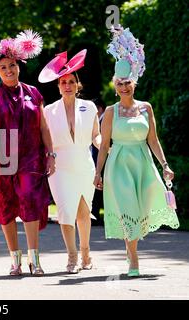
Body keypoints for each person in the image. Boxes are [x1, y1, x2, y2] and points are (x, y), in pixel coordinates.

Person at [94, 25, 179, 277]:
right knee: (128, 207)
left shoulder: (146, 108)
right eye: (119, 83)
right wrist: (98, 173)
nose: (123, 87)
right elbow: (104, 146)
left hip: (142, 162)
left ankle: (131, 248)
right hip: (118, 164)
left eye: (127, 82)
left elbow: (153, 139)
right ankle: (133, 259)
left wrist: (164, 165)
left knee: (142, 209)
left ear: (134, 82)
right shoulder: (110, 112)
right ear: (115, 84)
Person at [0, 30, 54, 276]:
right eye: (3, 68)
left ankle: (35, 259)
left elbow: (43, 127)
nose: (9, 70)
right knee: (6, 207)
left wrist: (50, 154)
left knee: (30, 202)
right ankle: (14, 261)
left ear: (19, 66)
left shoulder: (33, 93)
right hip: (0, 161)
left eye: (12, 66)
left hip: (31, 158)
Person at [38, 49, 101, 273]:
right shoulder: (48, 111)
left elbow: (96, 135)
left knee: (84, 212)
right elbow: (43, 140)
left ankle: (86, 255)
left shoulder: (90, 107)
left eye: (71, 82)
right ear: (58, 85)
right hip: (59, 165)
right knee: (65, 211)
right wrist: (48, 158)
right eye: (63, 82)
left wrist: (105, 146)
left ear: (77, 84)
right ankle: (72, 257)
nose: (67, 85)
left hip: (84, 164)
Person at [90, 97, 107, 225]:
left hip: (102, 158)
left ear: (100, 108)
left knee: (100, 189)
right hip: (97, 157)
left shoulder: (104, 119)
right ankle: (96, 214)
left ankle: (97, 214)